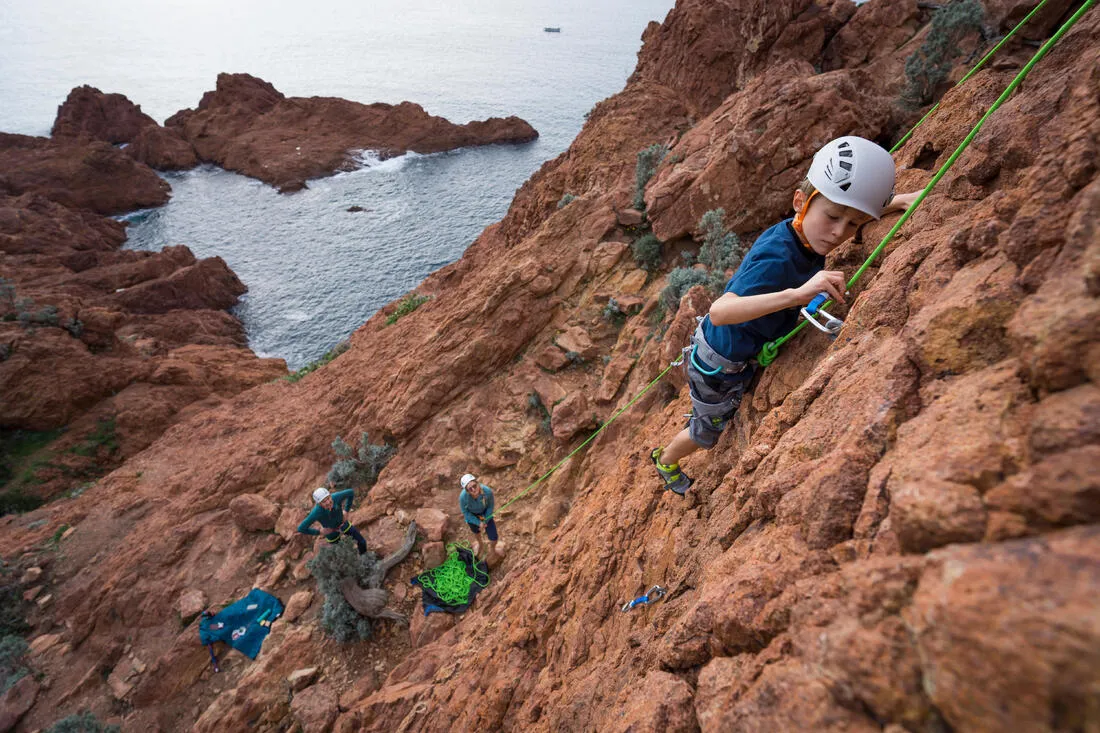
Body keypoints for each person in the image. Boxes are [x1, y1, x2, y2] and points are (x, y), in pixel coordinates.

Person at [651, 136, 920, 495]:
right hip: (719, 364)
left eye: (853, 224)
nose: (839, 233)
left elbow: (839, 216)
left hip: (737, 354)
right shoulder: (777, 256)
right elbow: (719, 311)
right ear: (800, 202)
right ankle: (666, 458)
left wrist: (895, 203)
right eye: (833, 217)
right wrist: (799, 294)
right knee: (707, 431)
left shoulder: (808, 232)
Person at [297, 485, 367, 554]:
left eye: (328, 498)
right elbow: (301, 528)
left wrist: (346, 511)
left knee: (362, 542)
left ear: (330, 495)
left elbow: (350, 492)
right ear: (319, 504)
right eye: (324, 501)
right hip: (331, 533)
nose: (328, 502)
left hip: (343, 523)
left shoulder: (336, 497)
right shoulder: (316, 512)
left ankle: (364, 555)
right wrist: (319, 532)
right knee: (341, 555)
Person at [458, 473, 498, 558]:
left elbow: (490, 506)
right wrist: (478, 522)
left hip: (485, 513)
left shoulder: (487, 491)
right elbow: (465, 512)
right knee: (476, 531)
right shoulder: (463, 498)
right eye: (470, 489)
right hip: (472, 516)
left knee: (493, 536)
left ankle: (492, 549)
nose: (473, 490)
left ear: (478, 483)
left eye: (474, 486)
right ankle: (480, 544)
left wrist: (485, 520)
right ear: (467, 491)